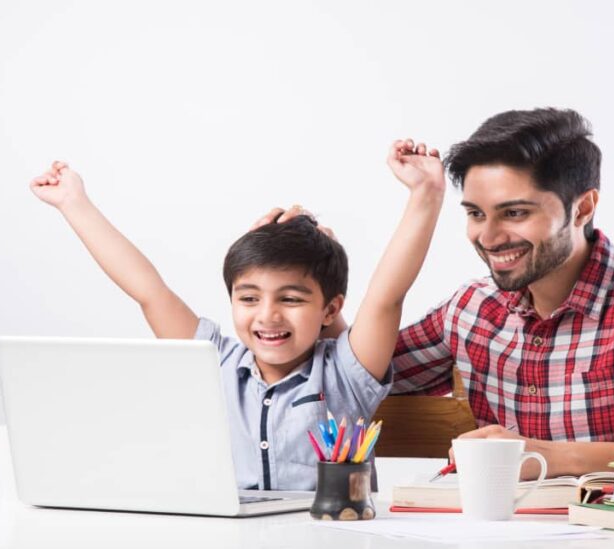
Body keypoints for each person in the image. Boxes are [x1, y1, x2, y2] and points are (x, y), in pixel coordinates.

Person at [28, 138, 445, 490]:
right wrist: (73, 203)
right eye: (248, 298)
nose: (268, 315)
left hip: (330, 547)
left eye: (291, 299)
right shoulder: (214, 362)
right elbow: (148, 291)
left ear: (330, 308)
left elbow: (387, 295)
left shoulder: (344, 375)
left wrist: (424, 195)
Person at [389, 109, 614, 479]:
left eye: (514, 213)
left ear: (582, 208)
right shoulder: (474, 308)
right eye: (476, 214)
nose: (489, 238)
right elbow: (355, 372)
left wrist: (548, 458)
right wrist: (330, 281)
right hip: (501, 532)